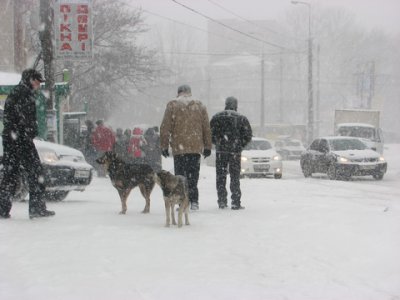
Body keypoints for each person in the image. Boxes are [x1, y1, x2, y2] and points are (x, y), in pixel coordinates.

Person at [0, 68, 55, 219]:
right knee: (36, 172)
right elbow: (24, 120)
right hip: (21, 140)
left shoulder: (17, 92)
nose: (38, 84)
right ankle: (37, 208)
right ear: (30, 79)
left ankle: (2, 209)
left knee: (10, 174)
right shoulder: (24, 94)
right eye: (37, 81)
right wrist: (30, 132)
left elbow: (11, 118)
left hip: (12, 139)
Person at [160, 84, 212, 210]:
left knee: (180, 178)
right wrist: (207, 146)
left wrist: (164, 145)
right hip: (195, 148)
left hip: (179, 148)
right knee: (193, 177)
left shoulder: (172, 105)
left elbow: (165, 127)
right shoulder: (200, 106)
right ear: (190, 92)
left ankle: (183, 202)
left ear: (178, 93)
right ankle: (194, 201)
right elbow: (206, 127)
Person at [210, 96, 252, 210]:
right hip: (235, 152)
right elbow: (248, 135)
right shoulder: (241, 118)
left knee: (220, 177)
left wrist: (218, 142)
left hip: (221, 151)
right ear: (236, 105)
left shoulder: (217, 117)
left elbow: (210, 133)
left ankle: (222, 201)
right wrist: (239, 145)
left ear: (226, 104)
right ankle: (235, 202)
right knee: (235, 177)